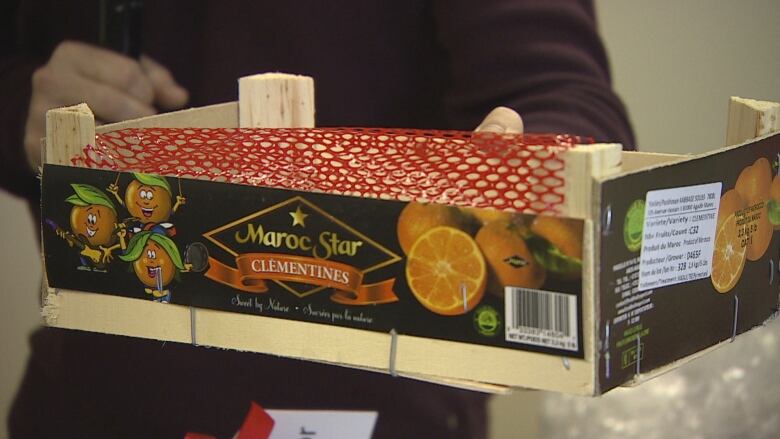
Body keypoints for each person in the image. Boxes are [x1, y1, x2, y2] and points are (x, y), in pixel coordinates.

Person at [1, 1, 634, 437]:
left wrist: (543, 167)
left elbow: (558, 83)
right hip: (89, 404)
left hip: (382, 413)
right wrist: (19, 107)